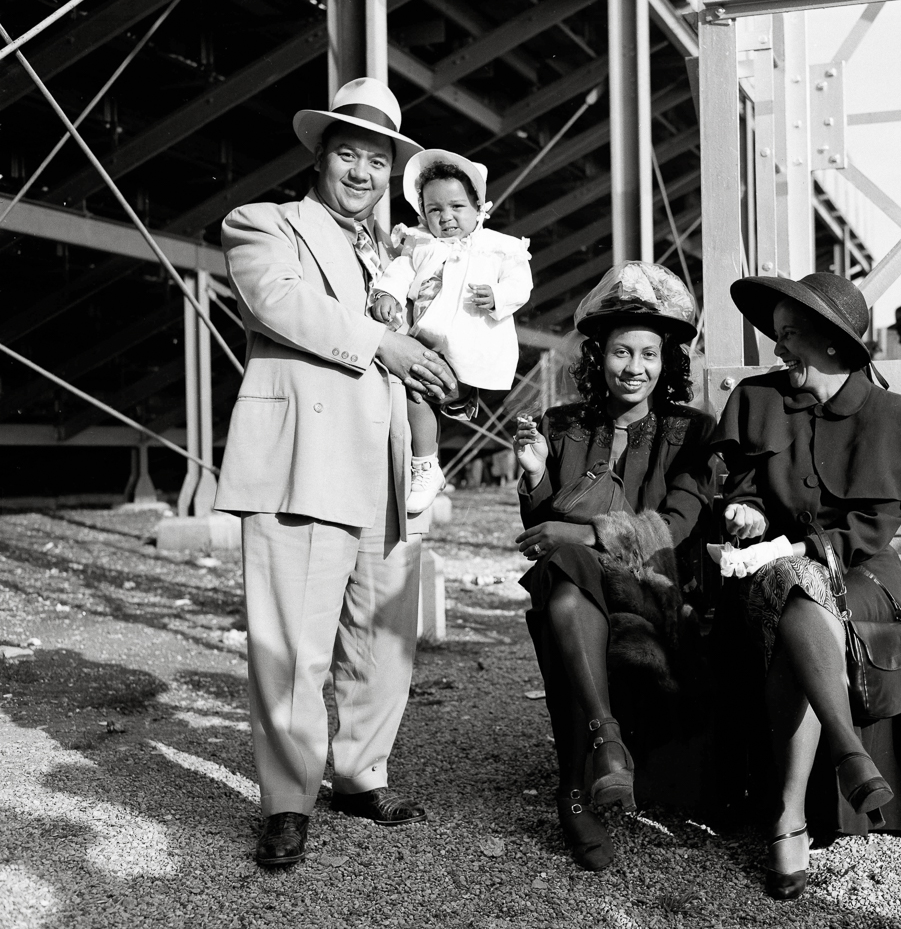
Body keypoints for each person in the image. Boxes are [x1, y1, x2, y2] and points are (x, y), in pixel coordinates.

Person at [215, 77, 465, 868]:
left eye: (377, 160)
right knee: (293, 644)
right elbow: (281, 305)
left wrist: (440, 362)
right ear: (320, 156)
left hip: (392, 464)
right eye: (348, 153)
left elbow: (439, 330)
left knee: (383, 637)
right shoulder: (264, 224)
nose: (362, 172)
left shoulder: (401, 248)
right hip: (305, 461)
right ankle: (288, 798)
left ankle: (360, 772)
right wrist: (386, 343)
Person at [712, 273, 901, 900]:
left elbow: (872, 531)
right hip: (766, 568)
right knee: (796, 590)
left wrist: (803, 548)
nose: (778, 349)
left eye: (790, 335)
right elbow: (743, 490)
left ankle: (788, 819)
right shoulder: (756, 400)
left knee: (805, 596)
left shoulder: (897, 417)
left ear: (832, 343)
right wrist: (744, 513)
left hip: (863, 571)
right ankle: (851, 753)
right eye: (777, 335)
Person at [512, 262, 714, 872]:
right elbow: (541, 526)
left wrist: (580, 532)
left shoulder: (693, 430)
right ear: (598, 357)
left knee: (563, 576)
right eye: (621, 352)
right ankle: (599, 751)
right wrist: (535, 474)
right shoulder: (563, 426)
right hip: (577, 589)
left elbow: (674, 529)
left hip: (658, 592)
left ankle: (578, 779)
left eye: (648, 354)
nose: (634, 368)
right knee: (564, 585)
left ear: (666, 360)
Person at [369, 150, 533, 512]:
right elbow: (399, 273)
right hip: (427, 340)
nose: (446, 219)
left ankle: (461, 401)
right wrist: (387, 294)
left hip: (474, 344)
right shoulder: (421, 245)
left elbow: (521, 283)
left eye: (457, 207)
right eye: (434, 210)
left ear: (479, 207)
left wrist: (499, 296)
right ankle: (427, 465)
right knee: (416, 392)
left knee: (444, 388)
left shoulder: (498, 247)